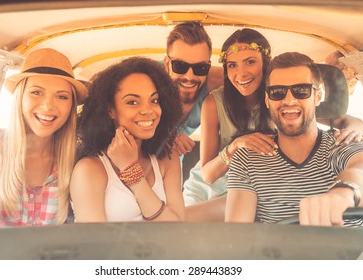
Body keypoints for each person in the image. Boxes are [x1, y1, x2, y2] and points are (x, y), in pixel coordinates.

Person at [184, 28, 363, 221]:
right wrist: (236, 145)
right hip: (215, 182)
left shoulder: (284, 101)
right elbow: (208, 175)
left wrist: (356, 129)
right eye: (232, 65)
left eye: (250, 62)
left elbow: (323, 121)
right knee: (179, 223)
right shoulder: (215, 103)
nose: (241, 73)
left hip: (251, 186)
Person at [225, 51, 363, 227]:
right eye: (277, 92)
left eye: (301, 91)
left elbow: (359, 169)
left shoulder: (344, 143)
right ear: (267, 100)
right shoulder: (248, 159)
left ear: (318, 96)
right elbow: (238, 235)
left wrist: (344, 192)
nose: (289, 100)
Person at [0, 48, 88, 227]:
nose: (48, 106)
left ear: (71, 107)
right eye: (36, 92)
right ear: (20, 97)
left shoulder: (78, 163)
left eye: (62, 96)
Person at [70, 57, 185, 222]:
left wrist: (133, 175)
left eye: (154, 100)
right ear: (110, 110)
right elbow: (93, 245)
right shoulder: (89, 170)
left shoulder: (168, 158)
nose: (148, 110)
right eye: (132, 102)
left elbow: (178, 229)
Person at [164, 21, 223, 156]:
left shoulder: (215, 81)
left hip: (175, 162)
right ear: (167, 64)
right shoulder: (147, 80)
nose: (189, 76)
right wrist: (166, 135)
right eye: (180, 66)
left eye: (200, 68)